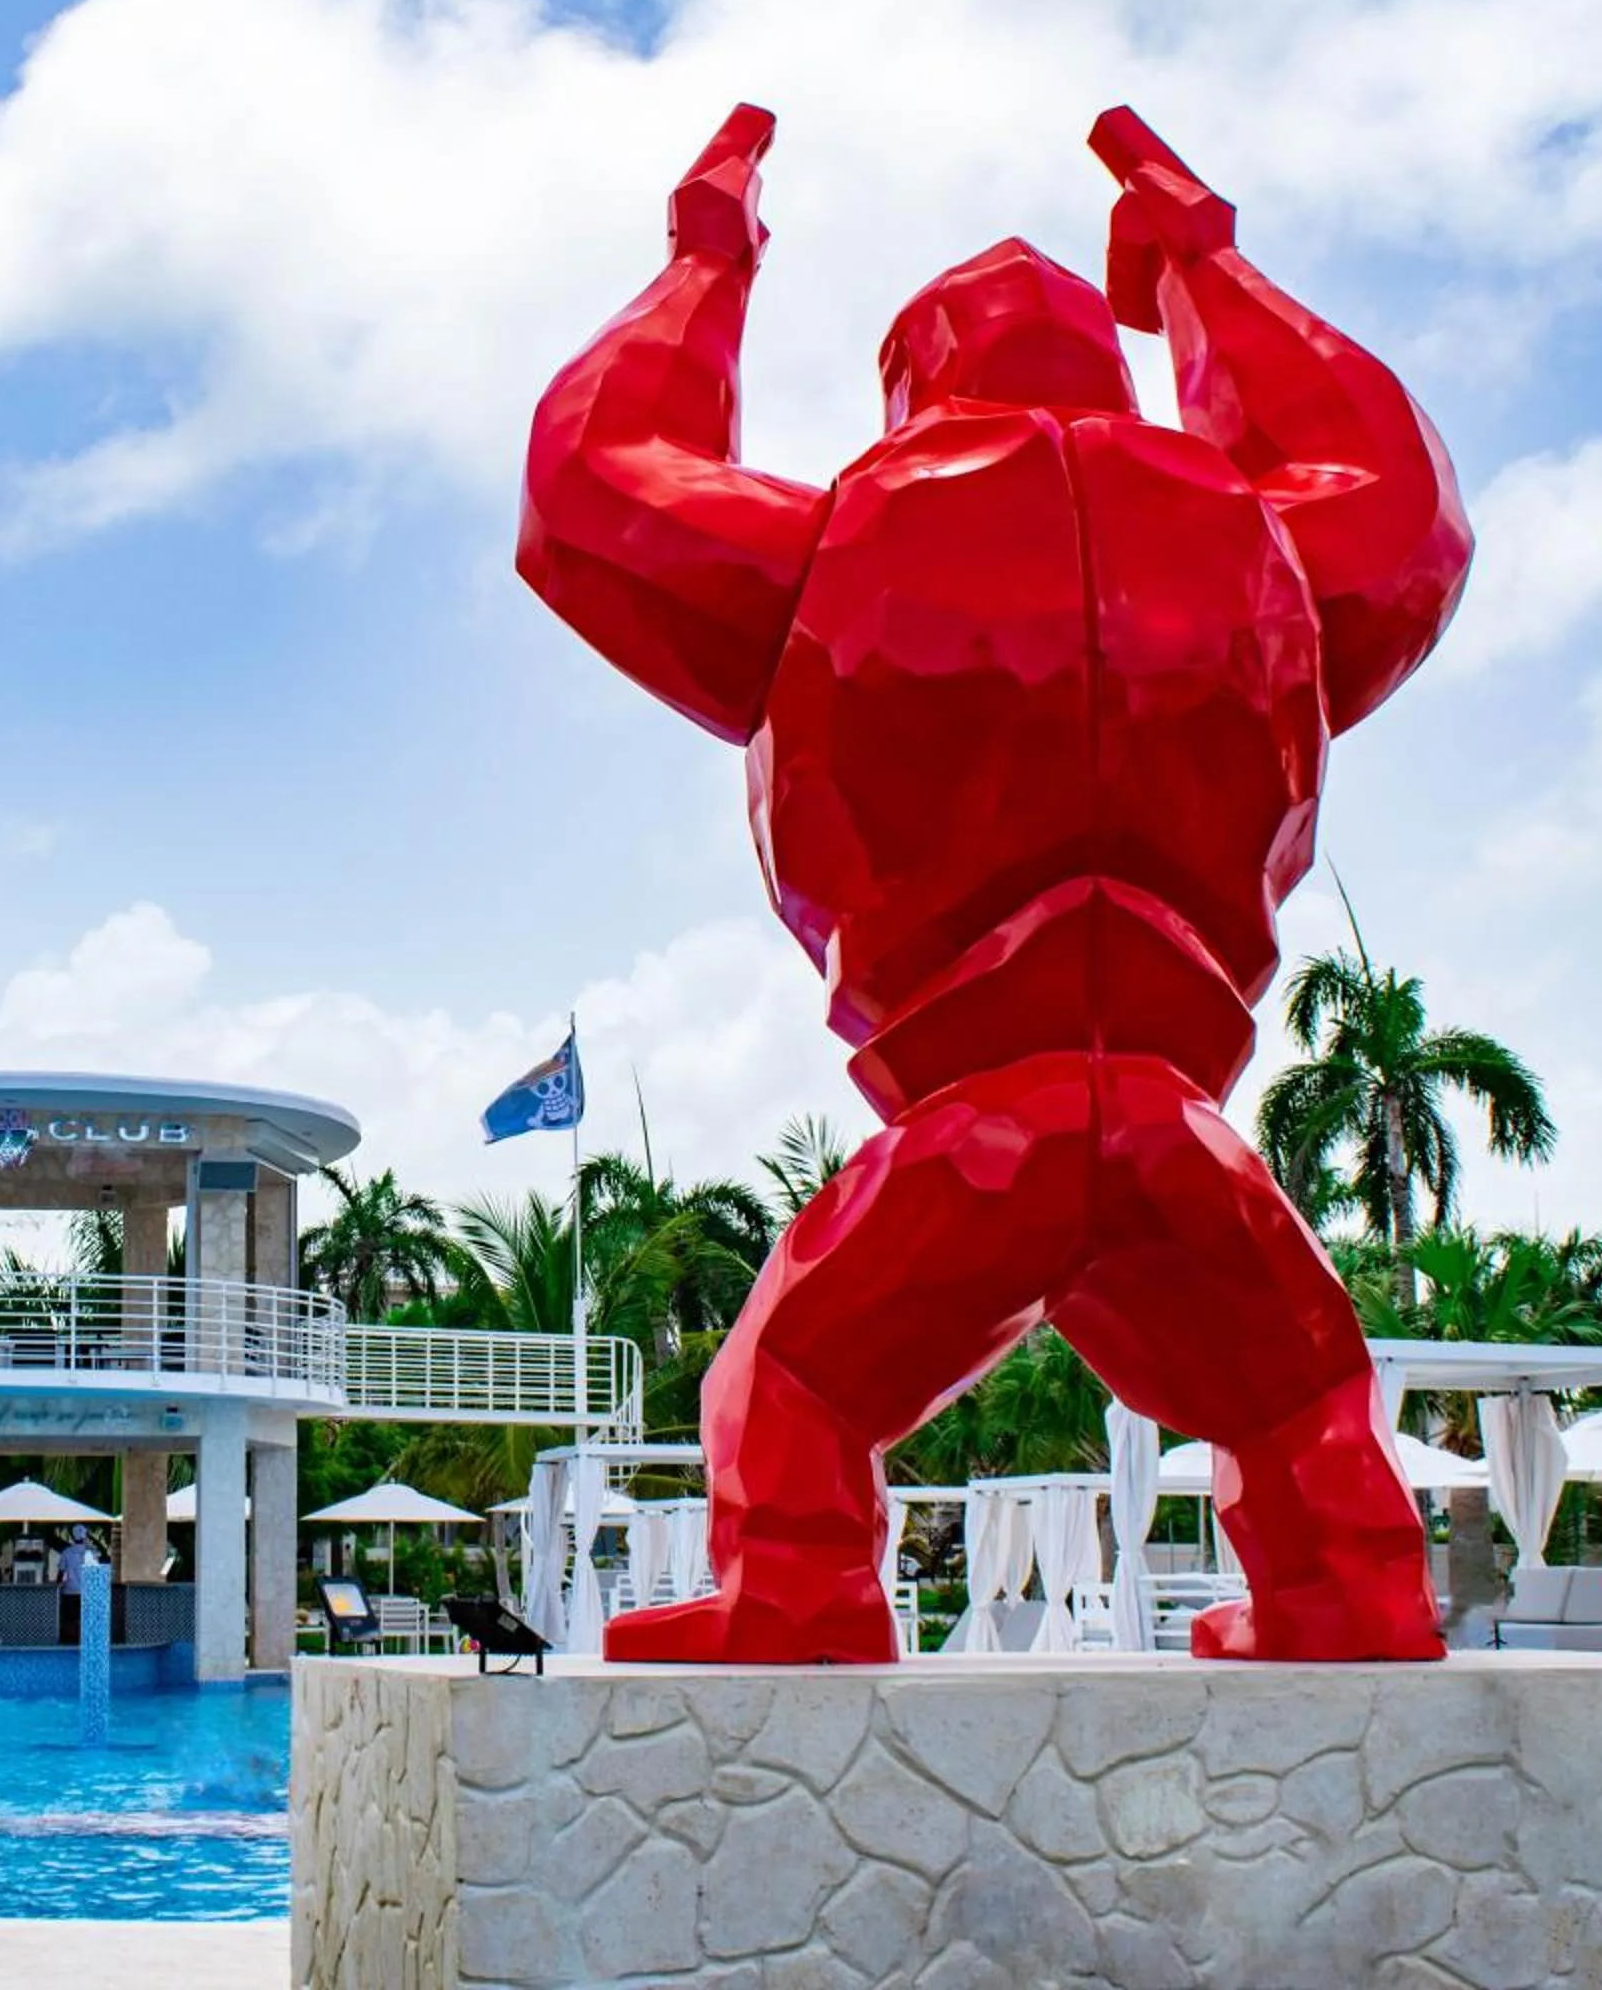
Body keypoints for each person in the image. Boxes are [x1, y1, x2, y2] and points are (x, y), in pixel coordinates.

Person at [521, 103, 1465, 1666]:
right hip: (1177, 1116)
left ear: (915, 382)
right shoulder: (1266, 555)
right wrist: (1202, 267)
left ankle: (801, 1594)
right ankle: (1349, 1587)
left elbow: (591, 486)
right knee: (1303, 1404)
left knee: (795, 1391)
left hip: (975, 1111)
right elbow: (1404, 504)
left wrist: (705, 260)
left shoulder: (839, 538)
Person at [56, 1524, 101, 1646]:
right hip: (86, 1592)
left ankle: (71, 1642)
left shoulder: (66, 1552)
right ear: (85, 1536)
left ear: (72, 1537)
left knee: (70, 1619)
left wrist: (57, 1585)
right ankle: (85, 1640)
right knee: (85, 1618)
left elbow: (60, 1572)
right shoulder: (91, 1553)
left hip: (69, 1591)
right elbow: (96, 1572)